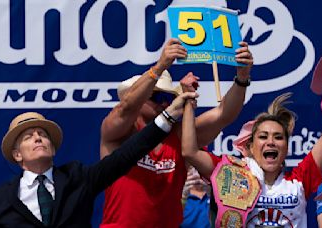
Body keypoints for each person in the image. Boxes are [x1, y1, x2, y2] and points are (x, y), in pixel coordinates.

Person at [100, 38, 253, 227]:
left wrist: (242, 78)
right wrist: (161, 66)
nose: (164, 103)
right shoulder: (118, 133)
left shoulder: (178, 135)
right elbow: (126, 107)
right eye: (157, 96)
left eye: (168, 97)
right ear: (139, 97)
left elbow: (223, 115)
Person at [0, 91, 196, 227]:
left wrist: (169, 115)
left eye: (42, 134)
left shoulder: (77, 178)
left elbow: (127, 154)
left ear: (53, 149)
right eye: (29, 137)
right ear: (17, 154)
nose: (38, 137)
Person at [183, 91, 322, 227]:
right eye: (263, 137)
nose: (271, 142)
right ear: (251, 147)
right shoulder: (231, 174)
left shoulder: (299, 180)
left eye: (278, 137)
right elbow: (190, 151)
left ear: (287, 147)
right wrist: (188, 102)